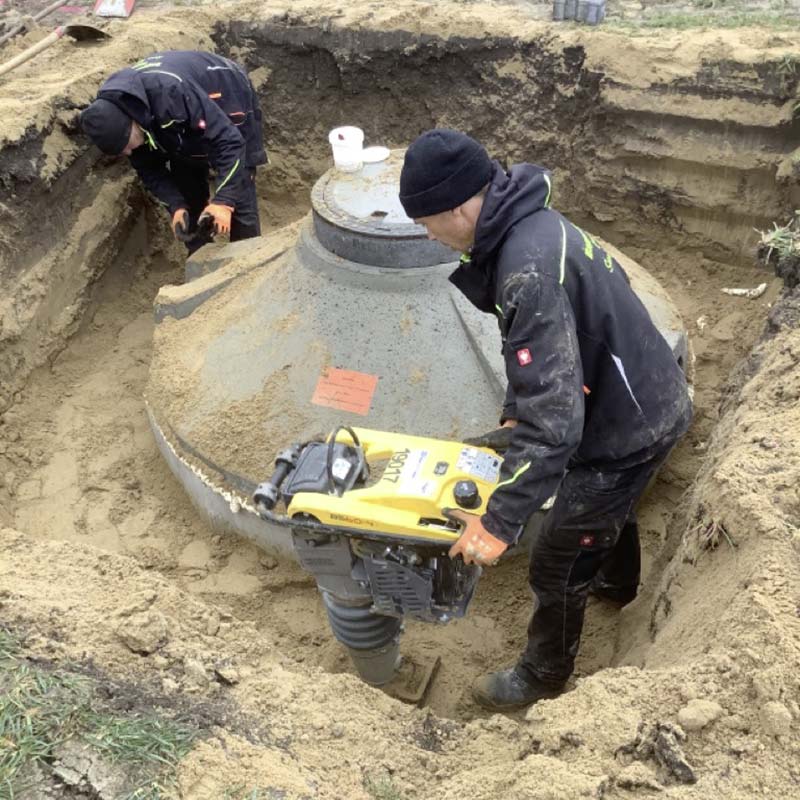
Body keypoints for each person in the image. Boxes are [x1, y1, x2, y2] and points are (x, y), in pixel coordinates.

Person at [399, 130, 691, 710]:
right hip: (639, 396)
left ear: (458, 206)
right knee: (604, 507)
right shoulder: (532, 226)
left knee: (557, 559)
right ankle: (616, 582)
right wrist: (515, 414)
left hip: (628, 429)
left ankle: (542, 676)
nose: (427, 235)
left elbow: (556, 427)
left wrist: (499, 522)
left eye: (428, 221)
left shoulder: (525, 269)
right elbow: (550, 343)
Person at [80, 50, 267, 253]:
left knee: (240, 189)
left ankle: (246, 260)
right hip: (180, 115)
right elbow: (148, 168)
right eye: (121, 151)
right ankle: (201, 257)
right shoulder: (121, 113)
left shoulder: (170, 93)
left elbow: (230, 142)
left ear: (132, 123)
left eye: (125, 145)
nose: (127, 152)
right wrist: (176, 205)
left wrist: (224, 202)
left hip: (225, 90)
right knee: (187, 183)